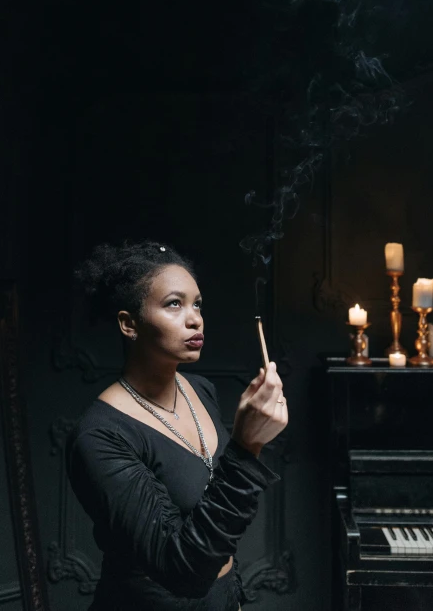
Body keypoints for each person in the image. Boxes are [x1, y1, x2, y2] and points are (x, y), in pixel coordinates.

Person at [66, 240, 288, 611]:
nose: (194, 318)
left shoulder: (200, 390)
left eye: (197, 304)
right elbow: (182, 568)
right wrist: (246, 447)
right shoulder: (100, 436)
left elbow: (213, 516)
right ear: (129, 324)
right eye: (174, 304)